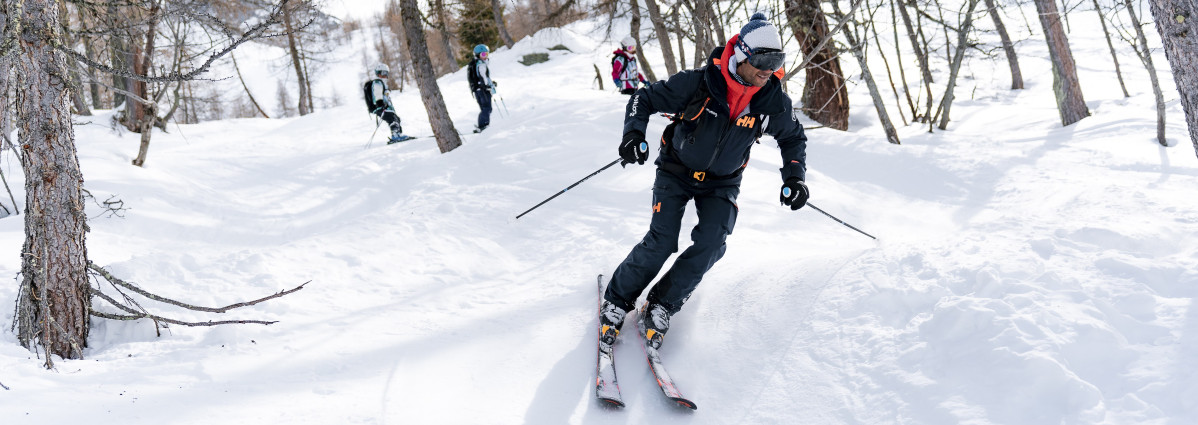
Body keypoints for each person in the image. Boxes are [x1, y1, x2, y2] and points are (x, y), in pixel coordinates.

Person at [599, 13, 809, 352]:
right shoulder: (699, 83)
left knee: (713, 242)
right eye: (763, 59)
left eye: (777, 61)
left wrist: (795, 177)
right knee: (662, 241)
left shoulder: (772, 102)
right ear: (741, 53)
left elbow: (794, 139)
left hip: (722, 183)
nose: (769, 69)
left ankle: (663, 303)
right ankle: (617, 299)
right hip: (676, 170)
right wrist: (633, 134)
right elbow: (644, 97)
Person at [363, 63, 412, 144]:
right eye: (383, 73)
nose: (385, 75)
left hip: (385, 107)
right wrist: (380, 104)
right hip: (381, 107)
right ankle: (395, 136)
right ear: (378, 73)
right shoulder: (377, 82)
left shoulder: (382, 83)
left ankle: (398, 134)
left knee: (396, 118)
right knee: (392, 119)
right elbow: (378, 94)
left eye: (386, 73)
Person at [467, 44, 497, 133]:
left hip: (478, 90)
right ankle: (483, 126)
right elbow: (483, 77)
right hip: (482, 90)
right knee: (487, 108)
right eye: (483, 54)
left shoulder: (475, 64)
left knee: (485, 108)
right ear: (477, 55)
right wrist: (487, 85)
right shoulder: (481, 65)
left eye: (487, 54)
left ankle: (483, 125)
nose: (485, 56)